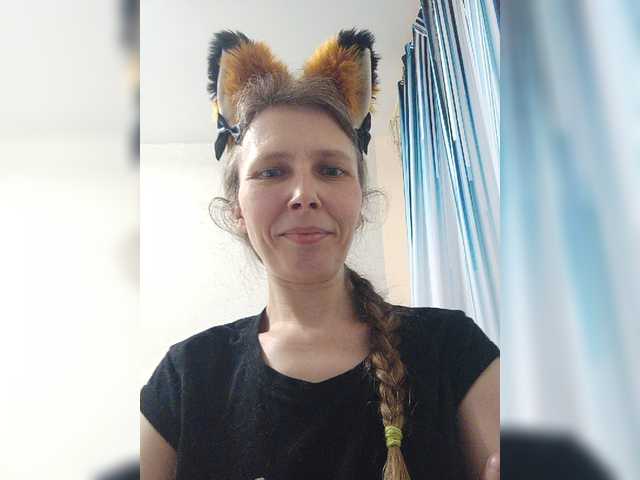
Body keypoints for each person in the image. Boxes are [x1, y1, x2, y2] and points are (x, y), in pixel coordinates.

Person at [140, 29, 500, 480]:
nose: (304, 194)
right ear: (237, 210)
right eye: (271, 172)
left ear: (360, 200)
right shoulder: (186, 377)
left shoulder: (453, 350)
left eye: (330, 170)